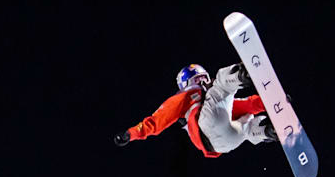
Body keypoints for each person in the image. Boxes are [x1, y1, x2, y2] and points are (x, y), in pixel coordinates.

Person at [114, 64, 274, 157]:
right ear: (187, 84)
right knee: (222, 83)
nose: (204, 82)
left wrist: (271, 101)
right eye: (198, 80)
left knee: (248, 121)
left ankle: (266, 130)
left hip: (223, 145)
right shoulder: (188, 96)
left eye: (204, 78)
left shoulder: (214, 102)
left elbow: (245, 106)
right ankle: (240, 75)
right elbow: (157, 121)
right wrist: (131, 133)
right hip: (207, 126)